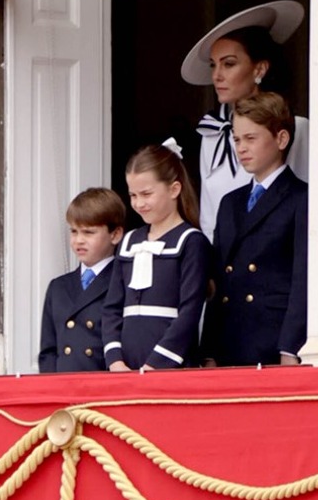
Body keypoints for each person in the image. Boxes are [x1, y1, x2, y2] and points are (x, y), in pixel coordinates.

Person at [180, 0, 309, 241]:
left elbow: (304, 203)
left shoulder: (296, 128)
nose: (217, 75)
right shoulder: (212, 134)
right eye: (213, 65)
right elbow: (209, 217)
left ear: (259, 69)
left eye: (229, 64)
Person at [201, 92, 307, 367]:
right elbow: (218, 281)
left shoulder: (301, 198)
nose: (241, 148)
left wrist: (290, 348)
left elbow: (301, 280)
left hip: (271, 341)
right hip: (228, 340)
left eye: (251, 138)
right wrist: (209, 349)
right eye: (236, 139)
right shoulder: (230, 202)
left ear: (281, 139)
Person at [102, 142, 211, 371]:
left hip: (171, 367)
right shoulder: (129, 242)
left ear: (174, 189)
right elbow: (112, 307)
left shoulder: (191, 241)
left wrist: (156, 365)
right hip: (125, 369)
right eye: (133, 195)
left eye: (146, 194)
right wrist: (115, 361)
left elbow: (189, 312)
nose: (138, 203)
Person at [38, 188, 126, 373]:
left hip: (102, 387)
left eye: (88, 232)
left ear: (115, 234)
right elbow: (48, 351)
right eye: (74, 231)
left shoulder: (124, 281)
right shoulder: (58, 287)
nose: (78, 240)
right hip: (64, 389)